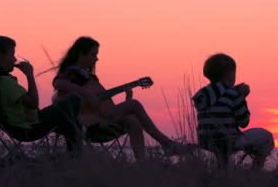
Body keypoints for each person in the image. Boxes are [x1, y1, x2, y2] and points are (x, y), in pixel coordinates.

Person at [52, 36, 184, 160]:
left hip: (99, 122)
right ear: (81, 53)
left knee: (133, 120)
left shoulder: (89, 78)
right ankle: (167, 144)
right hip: (87, 126)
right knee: (135, 104)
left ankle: (142, 165)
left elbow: (105, 108)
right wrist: (85, 94)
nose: (96, 59)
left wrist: (126, 99)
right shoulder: (73, 73)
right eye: (93, 54)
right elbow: (58, 83)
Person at [0, 36, 82, 153]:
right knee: (74, 100)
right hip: (30, 129)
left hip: (18, 127)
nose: (14, 60)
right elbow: (33, 103)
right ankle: (77, 157)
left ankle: (75, 156)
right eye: (12, 55)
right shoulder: (5, 82)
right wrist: (29, 75)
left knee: (70, 121)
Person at [192, 53, 274, 168]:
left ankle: (222, 170)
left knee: (222, 153)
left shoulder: (202, 94)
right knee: (266, 137)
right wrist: (242, 97)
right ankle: (256, 171)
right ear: (230, 74)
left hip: (205, 140)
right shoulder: (233, 94)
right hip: (228, 140)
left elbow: (218, 102)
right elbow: (244, 122)